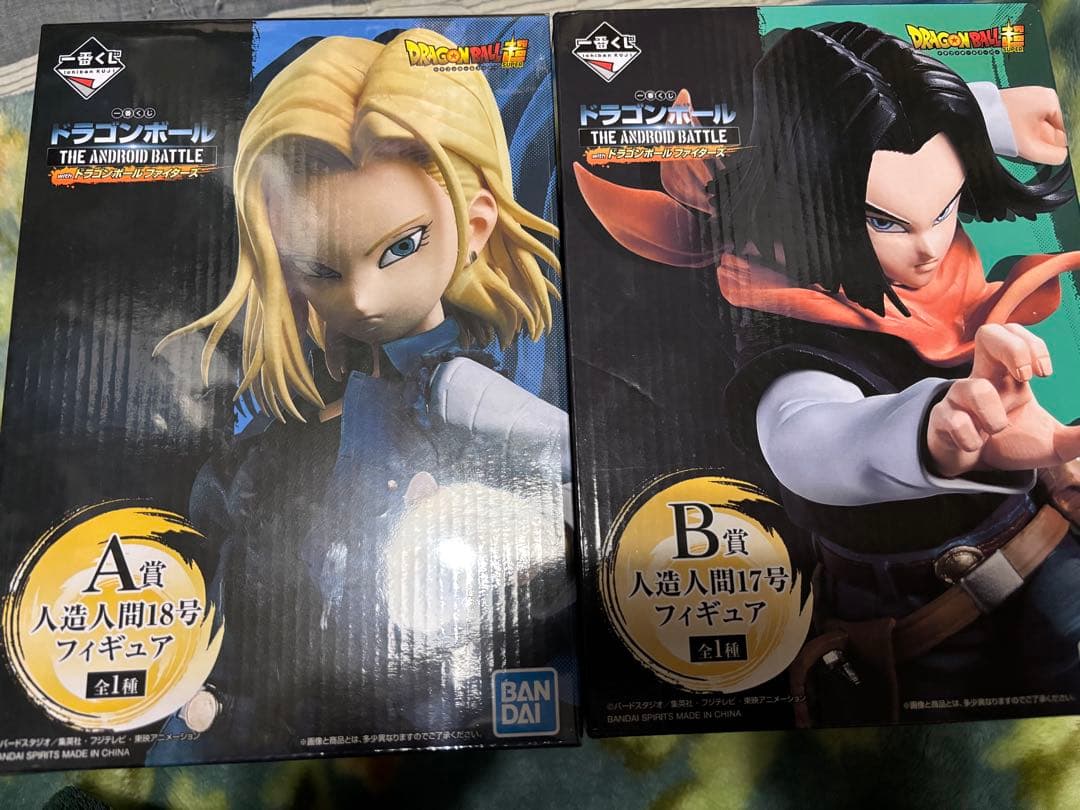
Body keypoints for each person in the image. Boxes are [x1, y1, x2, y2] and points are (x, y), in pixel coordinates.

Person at [575, 21, 1080, 723]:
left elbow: (889, 130)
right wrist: (930, 431)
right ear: (814, 202)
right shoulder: (785, 319)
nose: (931, 247)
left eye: (945, 211)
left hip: (1047, 551)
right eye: (887, 222)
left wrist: (987, 113)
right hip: (927, 615)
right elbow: (806, 440)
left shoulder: (940, 259)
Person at [149, 29, 571, 756]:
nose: (365, 298)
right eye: (323, 269)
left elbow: (569, 470)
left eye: (401, 246)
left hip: (424, 684)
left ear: (475, 226)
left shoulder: (456, 386)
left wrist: (486, 518)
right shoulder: (283, 427)